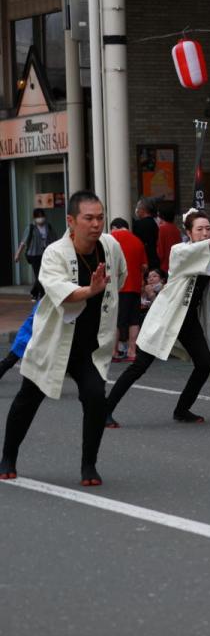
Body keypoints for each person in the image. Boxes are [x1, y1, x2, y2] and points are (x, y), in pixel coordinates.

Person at [1, 191, 127, 486]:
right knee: (27, 400)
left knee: (96, 398)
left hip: (88, 346)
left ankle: (88, 465)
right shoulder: (54, 253)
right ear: (71, 221)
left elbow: (119, 276)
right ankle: (8, 456)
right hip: (55, 342)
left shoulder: (110, 246)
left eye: (100, 217)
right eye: (88, 218)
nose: (96, 224)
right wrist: (90, 291)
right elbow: (64, 293)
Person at [105, 211, 210, 427]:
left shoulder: (209, 255)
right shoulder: (179, 250)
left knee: (204, 364)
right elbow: (190, 251)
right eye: (199, 229)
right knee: (139, 366)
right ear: (188, 233)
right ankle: (103, 411)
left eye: (207, 228)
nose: (204, 233)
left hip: (188, 319)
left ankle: (182, 410)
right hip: (166, 317)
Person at [109, 217, 148, 362]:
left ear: (114, 227)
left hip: (119, 287)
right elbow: (144, 267)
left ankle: (114, 351)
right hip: (135, 287)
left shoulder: (112, 238)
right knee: (133, 320)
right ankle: (132, 351)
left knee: (116, 320)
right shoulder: (137, 241)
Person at [13, 208, 57, 300]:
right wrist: (17, 254)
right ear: (34, 218)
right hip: (34, 255)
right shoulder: (31, 227)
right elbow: (23, 242)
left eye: (42, 216)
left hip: (45, 254)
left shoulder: (48, 226)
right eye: (38, 216)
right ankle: (42, 294)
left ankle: (35, 292)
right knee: (39, 275)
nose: (40, 218)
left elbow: (54, 239)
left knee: (44, 274)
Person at [0, 300, 38, 381]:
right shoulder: (43, 305)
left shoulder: (43, 304)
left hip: (29, 337)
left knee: (10, 360)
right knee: (10, 360)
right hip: (27, 337)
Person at [132, 198, 161, 270]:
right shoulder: (154, 223)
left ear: (143, 209)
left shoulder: (139, 224)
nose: (137, 210)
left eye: (138, 208)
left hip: (145, 260)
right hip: (154, 258)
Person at [155, 203, 183, 274]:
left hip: (165, 265)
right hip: (176, 264)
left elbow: (160, 252)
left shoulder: (162, 228)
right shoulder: (176, 229)